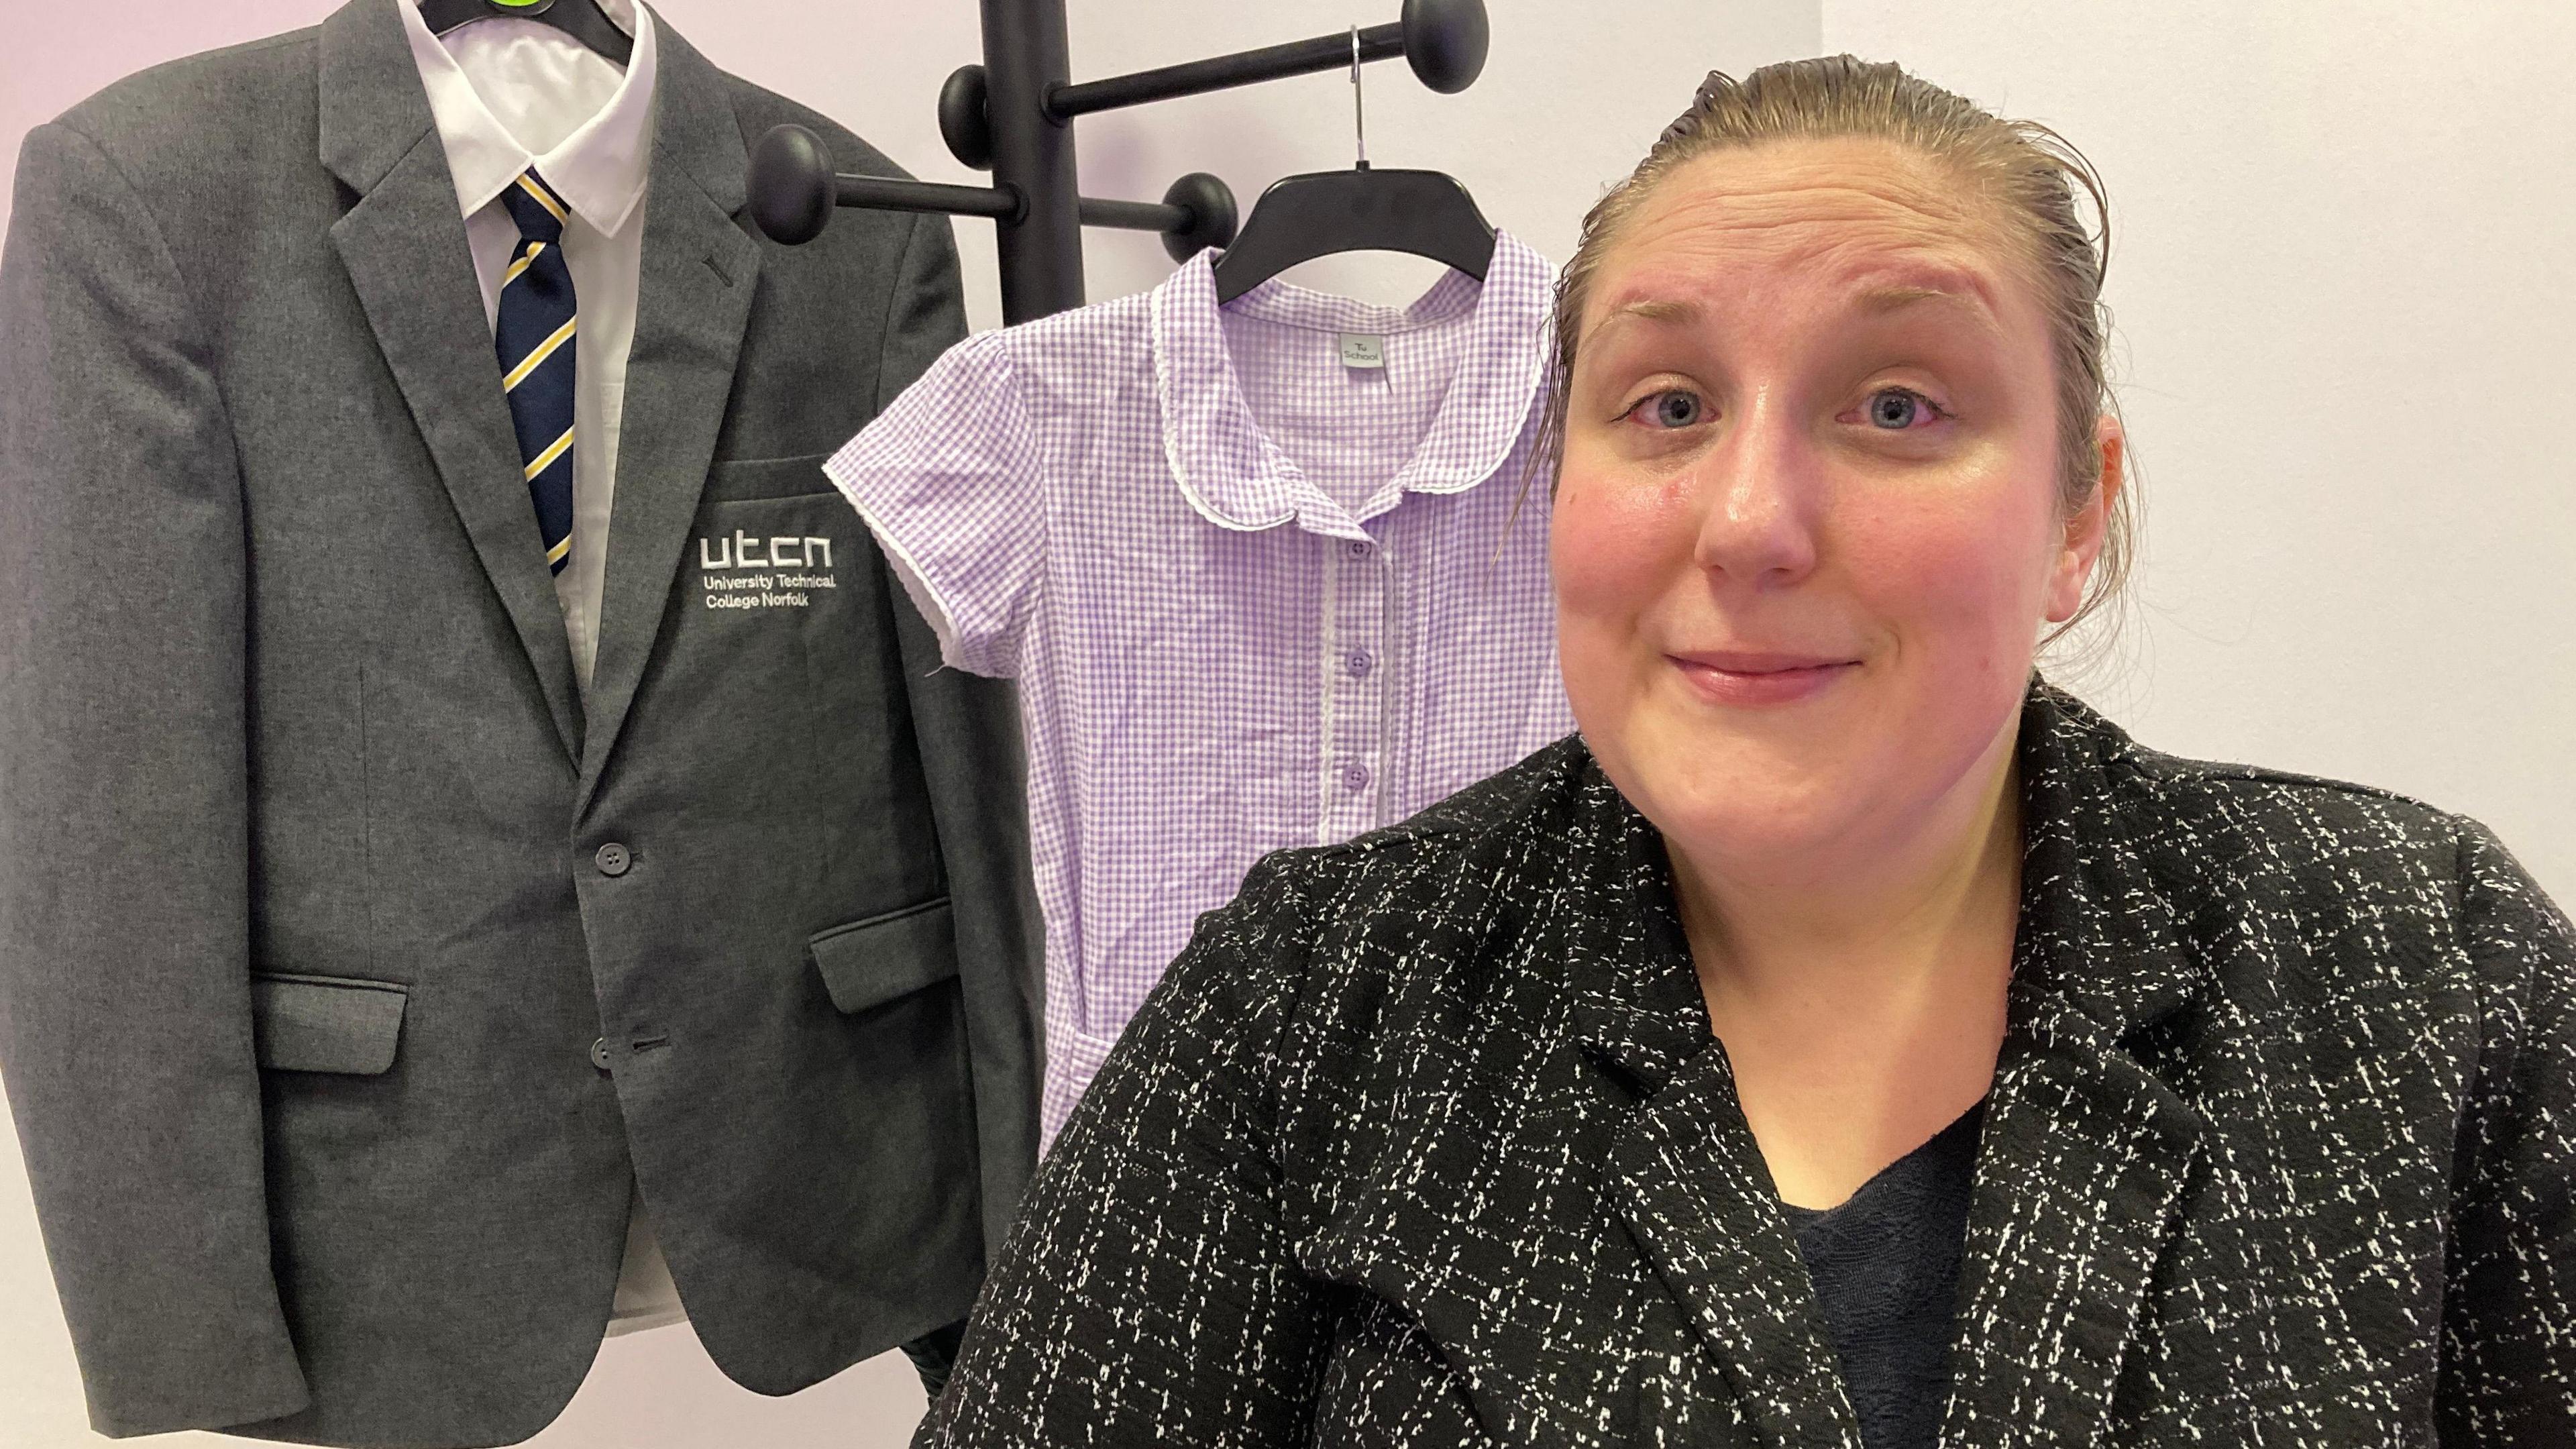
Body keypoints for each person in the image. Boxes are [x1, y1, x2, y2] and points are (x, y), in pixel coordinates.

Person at [913, 56, 2576, 1448]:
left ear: (2079, 514)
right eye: (1669, 407)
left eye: (1899, 405)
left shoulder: (2423, 967)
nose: (1752, 523)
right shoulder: (1299, 1013)